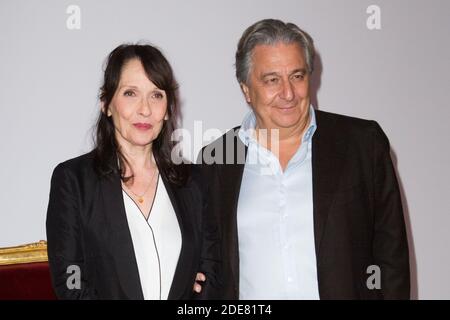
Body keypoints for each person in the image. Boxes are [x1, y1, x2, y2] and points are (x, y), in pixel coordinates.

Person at [197, 19, 410, 299]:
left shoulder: (362, 144)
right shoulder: (216, 160)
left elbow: (391, 258)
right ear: (246, 89)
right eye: (272, 80)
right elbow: (211, 265)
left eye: (297, 76)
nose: (288, 93)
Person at [46, 44, 205, 299]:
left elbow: (212, 273)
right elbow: (70, 281)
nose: (145, 109)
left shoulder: (194, 182)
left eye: (156, 95)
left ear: (167, 109)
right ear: (107, 104)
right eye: (131, 93)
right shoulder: (73, 181)